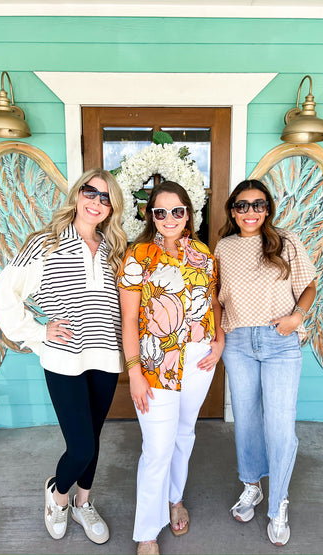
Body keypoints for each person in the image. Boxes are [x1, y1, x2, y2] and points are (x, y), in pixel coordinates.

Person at [0, 168, 127, 544]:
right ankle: (59, 496)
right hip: (65, 358)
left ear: (113, 207)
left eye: (105, 197)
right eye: (90, 192)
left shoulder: (116, 249)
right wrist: (36, 331)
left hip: (106, 358)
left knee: (93, 440)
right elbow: (1, 296)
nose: (97, 202)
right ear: (77, 195)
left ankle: (84, 502)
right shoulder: (46, 243)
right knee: (80, 444)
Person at [118, 181, 224, 555]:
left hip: (198, 360)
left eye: (177, 211)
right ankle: (147, 532)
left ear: (188, 214)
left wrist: (220, 340)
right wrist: (133, 372)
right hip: (154, 364)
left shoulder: (203, 253)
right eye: (159, 212)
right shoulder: (138, 255)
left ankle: (174, 499)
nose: (169, 219)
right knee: (157, 449)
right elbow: (129, 319)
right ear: (151, 216)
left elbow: (212, 303)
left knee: (184, 435)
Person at [214, 179, 316, 547]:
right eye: (242, 205)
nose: (251, 212)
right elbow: (216, 298)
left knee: (280, 425)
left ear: (268, 208)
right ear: (232, 210)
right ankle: (252, 487)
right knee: (246, 421)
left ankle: (279, 503)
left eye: (258, 205)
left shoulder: (284, 241)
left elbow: (309, 284)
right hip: (238, 342)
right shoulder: (223, 247)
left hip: (280, 340)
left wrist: (296, 317)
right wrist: (218, 336)